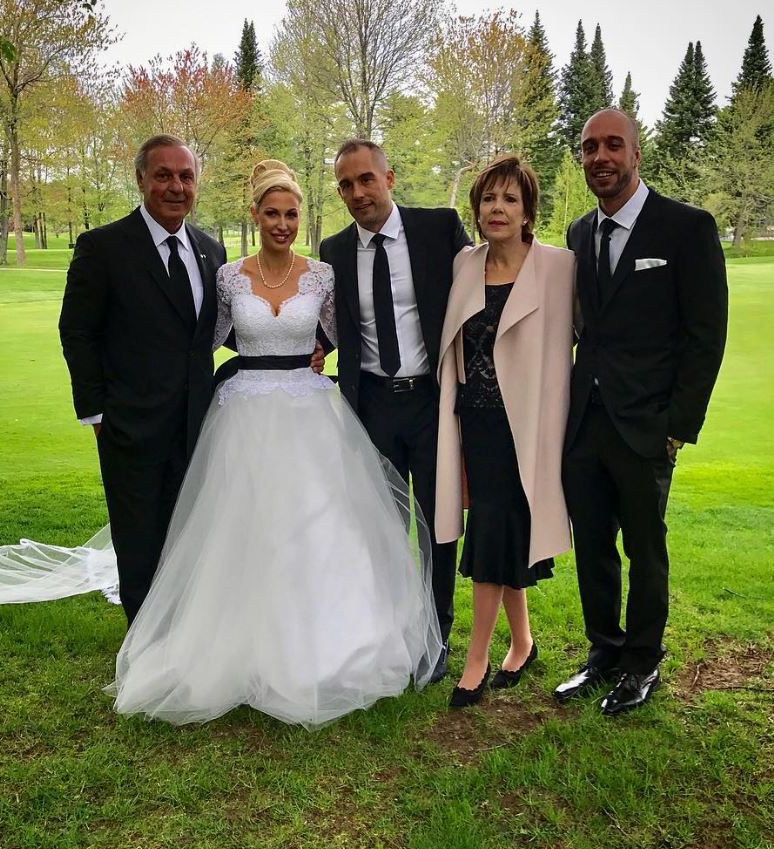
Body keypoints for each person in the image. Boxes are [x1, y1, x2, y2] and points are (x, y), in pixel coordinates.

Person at [105, 161, 442, 729]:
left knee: (316, 528)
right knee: (244, 528)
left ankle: (327, 644)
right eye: (272, 213)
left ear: (300, 217)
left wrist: (320, 355)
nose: (282, 224)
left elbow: (342, 334)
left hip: (310, 413)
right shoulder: (230, 277)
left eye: (291, 214)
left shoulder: (322, 276)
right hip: (243, 414)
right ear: (255, 215)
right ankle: (236, 646)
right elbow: (202, 341)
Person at [555, 109, 728, 715]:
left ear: (635, 152)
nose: (599, 157)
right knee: (594, 543)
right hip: (584, 423)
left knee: (645, 549)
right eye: (588, 148)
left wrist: (679, 426)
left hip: (648, 425)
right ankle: (604, 652)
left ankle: (642, 662)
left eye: (612, 145)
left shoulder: (686, 228)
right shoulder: (578, 234)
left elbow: (705, 336)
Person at [58, 135, 226, 626]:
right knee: (138, 542)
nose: (176, 186)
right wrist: (95, 413)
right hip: (128, 425)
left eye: (186, 176)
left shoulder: (209, 249)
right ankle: (144, 646)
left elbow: (219, 329)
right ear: (140, 179)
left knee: (186, 535)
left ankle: (184, 632)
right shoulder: (103, 246)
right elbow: (78, 330)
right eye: (164, 175)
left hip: (196, 424)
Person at [319, 139, 471, 682]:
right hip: (372, 408)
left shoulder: (438, 229)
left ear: (390, 177)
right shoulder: (333, 249)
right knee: (380, 528)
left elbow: (478, 300)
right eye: (345, 184)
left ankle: (436, 638)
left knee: (437, 525)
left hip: (433, 403)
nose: (357, 193)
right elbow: (332, 325)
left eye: (365, 180)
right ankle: (387, 635)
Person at [434, 156, 574, 707]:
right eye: (488, 199)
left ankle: (477, 659)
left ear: (527, 211)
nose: (497, 208)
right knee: (498, 531)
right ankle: (521, 642)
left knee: (499, 531)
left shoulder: (559, 268)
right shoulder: (464, 266)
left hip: (532, 429)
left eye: (509, 199)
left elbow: (594, 337)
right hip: (477, 425)